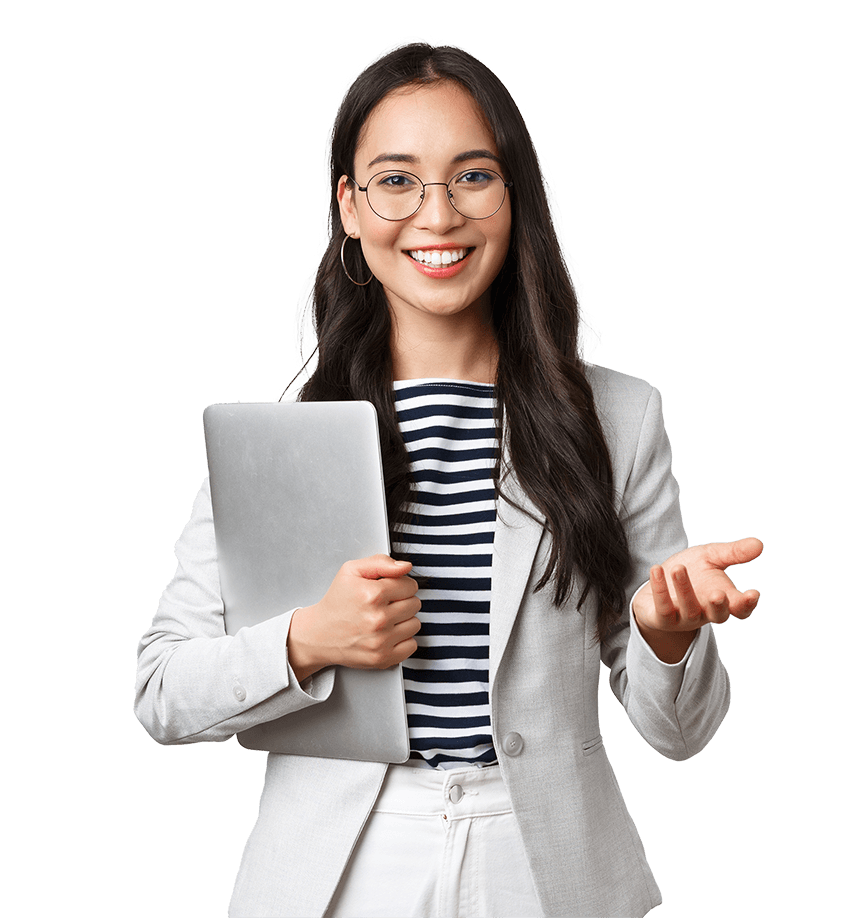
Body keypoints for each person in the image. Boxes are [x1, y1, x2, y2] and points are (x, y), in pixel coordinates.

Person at [135, 39, 763, 918]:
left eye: (473, 176)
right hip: (339, 873)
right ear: (350, 208)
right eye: (396, 181)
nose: (437, 215)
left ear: (515, 197)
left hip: (546, 866)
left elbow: (683, 735)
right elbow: (163, 691)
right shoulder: (279, 441)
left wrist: (665, 635)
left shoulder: (620, 417)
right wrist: (309, 640)